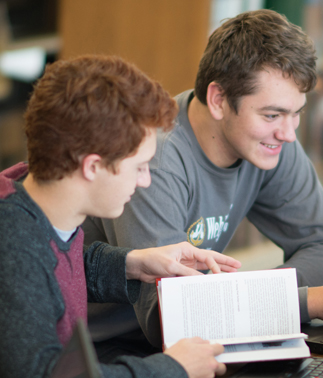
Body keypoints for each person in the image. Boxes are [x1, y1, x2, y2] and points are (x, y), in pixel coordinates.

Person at [83, 9, 323, 354]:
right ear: (219, 100)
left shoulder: (269, 141)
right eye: (272, 115)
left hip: (206, 335)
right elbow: (169, 318)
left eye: (296, 113)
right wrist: (312, 302)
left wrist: (240, 301)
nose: (288, 133)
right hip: (110, 349)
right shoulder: (154, 163)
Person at [0, 55, 243, 378]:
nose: (145, 180)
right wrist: (173, 368)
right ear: (93, 166)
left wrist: (134, 263)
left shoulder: (41, 210)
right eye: (139, 167)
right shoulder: (13, 245)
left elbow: (54, 268)